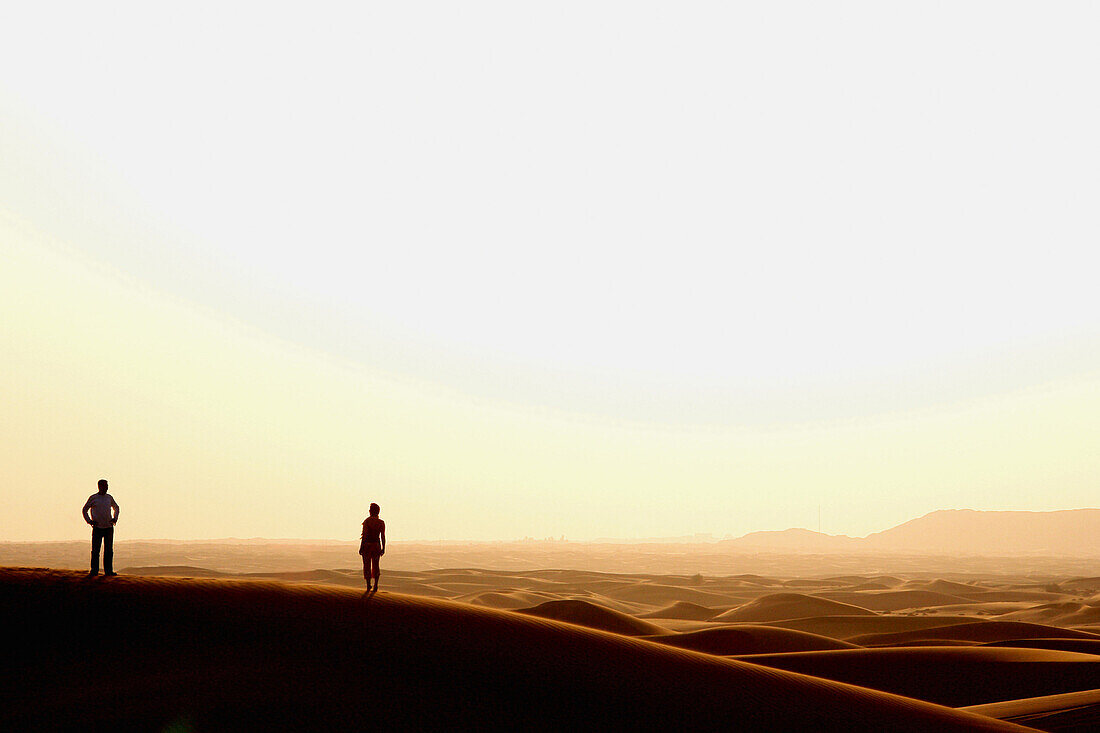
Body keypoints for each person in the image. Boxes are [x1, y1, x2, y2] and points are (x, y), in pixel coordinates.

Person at [82, 479, 120, 577]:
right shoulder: (93, 498)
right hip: (98, 527)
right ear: (99, 486)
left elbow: (116, 507)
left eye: (107, 486)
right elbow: (84, 509)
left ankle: (108, 571)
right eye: (105, 486)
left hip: (108, 527)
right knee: (95, 550)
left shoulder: (109, 497)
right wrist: (89, 521)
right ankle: (94, 570)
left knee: (108, 550)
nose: (106, 487)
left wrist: (115, 519)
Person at [359, 503, 386, 592]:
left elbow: (364, 535)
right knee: (376, 565)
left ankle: (368, 585)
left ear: (370, 511)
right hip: (376, 546)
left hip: (367, 545)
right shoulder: (381, 522)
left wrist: (361, 547)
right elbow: (383, 536)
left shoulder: (367, 521)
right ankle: (375, 585)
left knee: (367, 565)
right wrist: (383, 548)